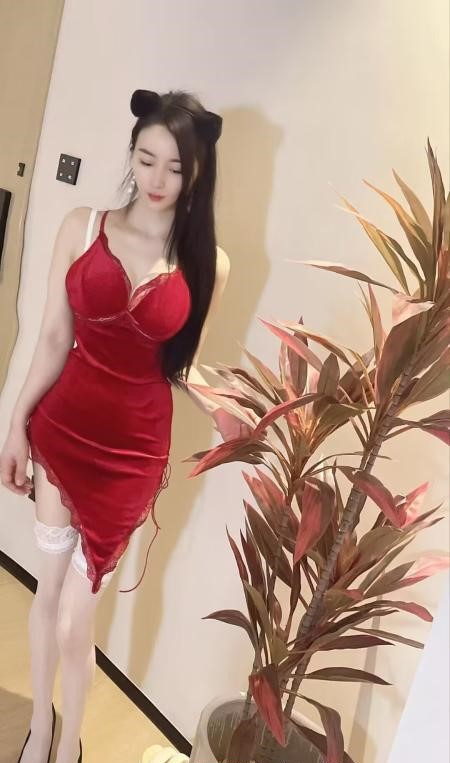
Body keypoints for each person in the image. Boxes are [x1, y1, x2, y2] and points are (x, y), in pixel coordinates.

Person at [0, 88, 250, 763]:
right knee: (47, 595)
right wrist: (15, 424)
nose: (157, 179)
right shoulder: (83, 226)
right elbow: (53, 337)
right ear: (132, 154)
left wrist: (228, 409)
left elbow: (182, 363)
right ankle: (44, 730)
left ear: (197, 173)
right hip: (62, 429)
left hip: (134, 449)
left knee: (77, 617)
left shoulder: (209, 264)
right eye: (146, 159)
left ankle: (71, 740)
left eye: (175, 167)